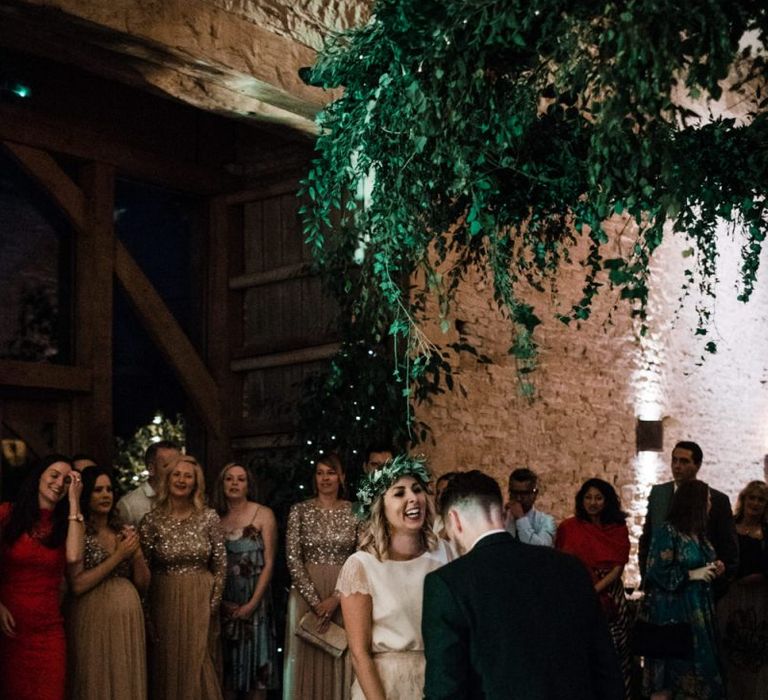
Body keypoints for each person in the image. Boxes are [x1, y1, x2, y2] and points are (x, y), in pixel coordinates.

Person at [422, 470, 623, 700]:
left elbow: (445, 690)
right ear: (502, 513)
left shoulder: (448, 583)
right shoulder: (570, 567)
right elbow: (606, 668)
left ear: (455, 520)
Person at [336, 454, 452, 699]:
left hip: (439, 679)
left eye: (417, 490)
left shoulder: (445, 554)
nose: (413, 499)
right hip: (386, 684)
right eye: (399, 493)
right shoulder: (361, 566)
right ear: (380, 506)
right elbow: (359, 654)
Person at [139, 454, 226, 700]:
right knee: (167, 664)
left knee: (200, 663)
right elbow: (142, 571)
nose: (182, 480)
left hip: (201, 597)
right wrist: (147, 615)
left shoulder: (209, 517)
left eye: (188, 476)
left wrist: (212, 605)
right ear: (167, 479)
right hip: (163, 599)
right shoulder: (151, 521)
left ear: (196, 482)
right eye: (176, 474)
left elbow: (220, 564)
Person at [0, 455, 83, 700]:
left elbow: (74, 556)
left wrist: (75, 502)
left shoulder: (69, 524)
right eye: (54, 475)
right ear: (39, 477)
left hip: (48, 632)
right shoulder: (7, 513)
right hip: (8, 629)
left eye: (67, 480)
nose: (59, 483)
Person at [67, 467, 150, 700]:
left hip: (127, 619)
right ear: (86, 496)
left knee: (124, 678)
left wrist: (136, 553)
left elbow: (142, 584)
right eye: (97, 490)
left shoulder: (120, 530)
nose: (105, 495)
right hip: (92, 616)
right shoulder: (79, 531)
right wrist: (119, 555)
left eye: (109, 489)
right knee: (95, 678)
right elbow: (77, 585)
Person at [283, 453, 358, 699]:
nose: (325, 478)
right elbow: (292, 557)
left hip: (344, 592)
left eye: (331, 472)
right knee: (306, 656)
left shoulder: (355, 511)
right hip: (306, 592)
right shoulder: (299, 510)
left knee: (341, 651)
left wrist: (336, 598)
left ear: (342, 477)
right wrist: (316, 602)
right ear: (314, 478)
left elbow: (361, 558)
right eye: (320, 472)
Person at [641, 479, 725, 700]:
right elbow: (656, 570)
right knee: (674, 672)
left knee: (703, 670)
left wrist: (715, 566)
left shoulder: (699, 534)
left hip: (699, 607)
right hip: (675, 611)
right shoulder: (668, 531)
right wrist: (690, 574)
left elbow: (704, 561)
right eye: (707, 500)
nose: (709, 505)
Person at [555, 478, 632, 699]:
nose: (593, 502)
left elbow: (617, 567)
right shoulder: (569, 527)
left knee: (614, 652)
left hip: (609, 593)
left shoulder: (617, 529)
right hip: (577, 593)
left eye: (598, 498)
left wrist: (595, 590)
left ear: (607, 501)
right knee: (582, 652)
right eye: (588, 497)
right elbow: (562, 562)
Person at [213, 462, 279, 700]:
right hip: (225, 603)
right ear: (222, 484)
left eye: (240, 479)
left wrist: (252, 604)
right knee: (226, 678)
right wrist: (221, 602)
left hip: (256, 603)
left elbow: (270, 563)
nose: (234, 484)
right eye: (229, 479)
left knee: (256, 679)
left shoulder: (263, 514)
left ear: (248, 485)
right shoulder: (214, 519)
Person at [639, 441, 738, 596]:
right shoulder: (660, 494)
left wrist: (720, 573)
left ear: (697, 465)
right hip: (661, 584)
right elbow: (647, 538)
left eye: (684, 461)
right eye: (674, 460)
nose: (677, 466)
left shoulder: (717, 500)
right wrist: (646, 578)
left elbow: (728, 545)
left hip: (702, 586)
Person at [717, 480, 768, 700]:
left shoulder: (766, 533)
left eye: (760, 499)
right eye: (752, 498)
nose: (755, 503)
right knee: (727, 647)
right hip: (729, 595)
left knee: (754, 652)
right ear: (744, 499)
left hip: (759, 599)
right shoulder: (730, 526)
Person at [116, 439, 182, 527]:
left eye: (177, 466)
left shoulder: (183, 498)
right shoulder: (130, 505)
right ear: (151, 469)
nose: (175, 471)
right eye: (168, 466)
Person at [504, 467, 556, 546]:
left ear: (534, 494)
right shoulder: (502, 519)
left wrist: (521, 519)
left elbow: (541, 550)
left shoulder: (546, 521)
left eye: (524, 494)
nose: (518, 498)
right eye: (514, 493)